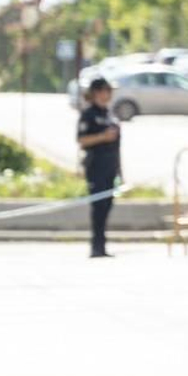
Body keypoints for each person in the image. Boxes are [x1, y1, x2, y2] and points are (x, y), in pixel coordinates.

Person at [76, 77, 122, 259]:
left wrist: (120, 170)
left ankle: (102, 245)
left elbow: (118, 146)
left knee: (108, 205)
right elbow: (82, 140)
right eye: (105, 90)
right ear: (96, 92)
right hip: (96, 166)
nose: (108, 94)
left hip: (111, 166)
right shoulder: (88, 115)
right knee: (98, 206)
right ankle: (96, 246)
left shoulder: (111, 115)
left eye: (109, 91)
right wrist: (102, 137)